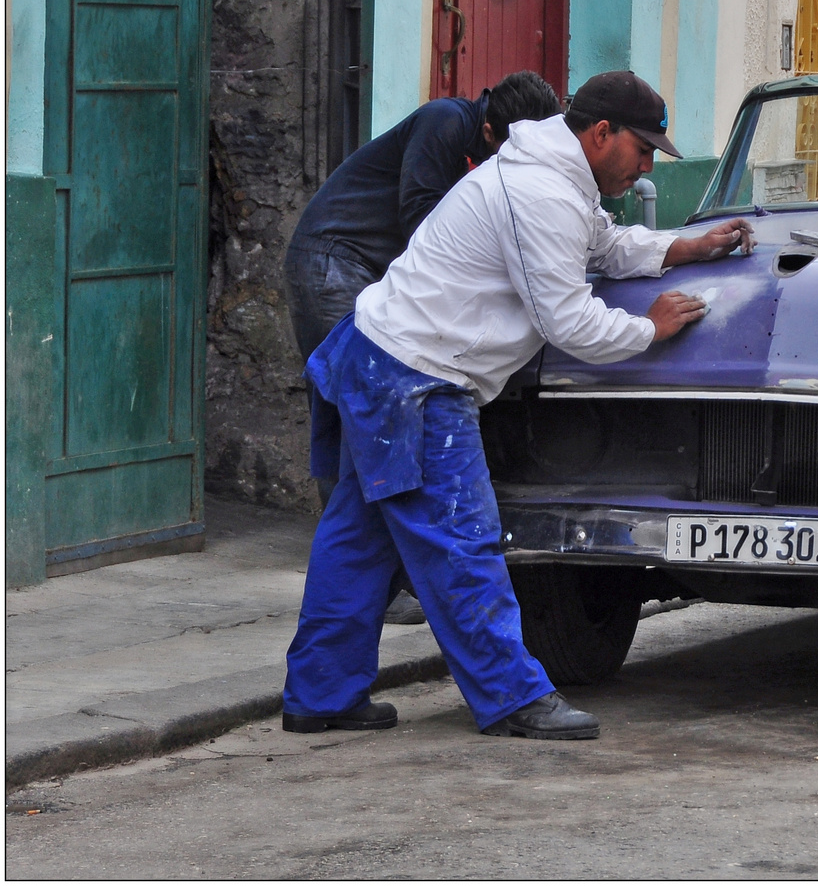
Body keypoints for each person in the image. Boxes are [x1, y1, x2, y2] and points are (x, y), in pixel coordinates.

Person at [281, 71, 755, 740]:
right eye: (642, 150)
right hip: (417, 378)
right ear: (600, 134)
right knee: (462, 539)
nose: (647, 165)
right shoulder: (541, 191)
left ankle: (321, 695)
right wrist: (651, 329)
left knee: (360, 541)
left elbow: (605, 245)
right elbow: (570, 321)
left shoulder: (550, 172)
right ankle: (512, 696)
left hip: (377, 355)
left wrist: (683, 246)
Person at [283, 71, 561, 623]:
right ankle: (384, 581)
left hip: (370, 271)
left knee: (377, 434)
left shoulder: (476, 138)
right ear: (489, 131)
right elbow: (423, 221)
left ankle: (374, 581)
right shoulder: (444, 120)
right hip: (335, 261)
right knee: (367, 423)